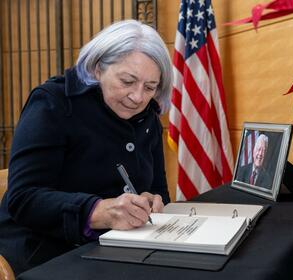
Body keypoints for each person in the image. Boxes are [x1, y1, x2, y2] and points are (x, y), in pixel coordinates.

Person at [0, 19, 172, 275]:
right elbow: (23, 199)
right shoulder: (53, 103)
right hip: (45, 251)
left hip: (120, 248)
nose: (138, 97)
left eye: (150, 87)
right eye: (127, 81)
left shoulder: (148, 117)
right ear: (97, 68)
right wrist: (98, 211)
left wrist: (151, 201)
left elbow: (158, 190)